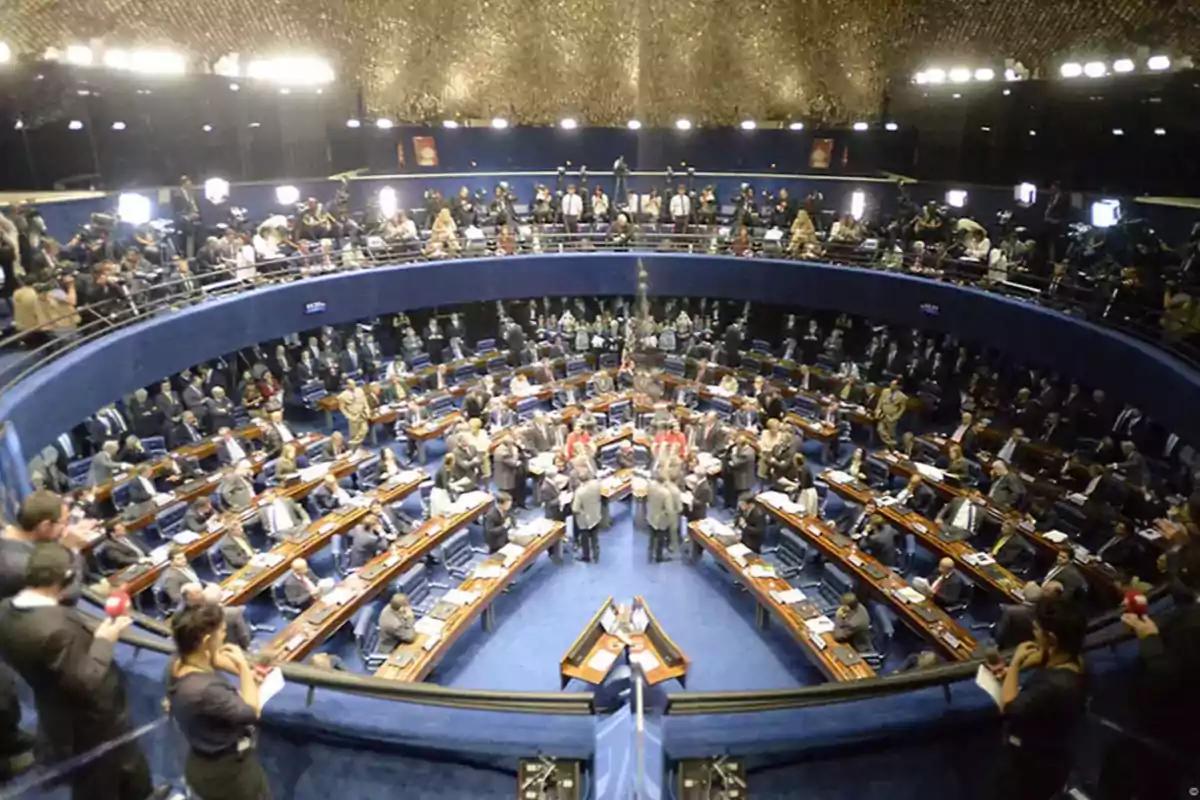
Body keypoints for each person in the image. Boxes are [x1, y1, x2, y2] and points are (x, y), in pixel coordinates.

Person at [0, 542, 157, 800]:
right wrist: (106, 638)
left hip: (56, 704)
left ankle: (143, 794)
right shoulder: (54, 628)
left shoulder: (6, 608)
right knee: (100, 779)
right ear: (64, 579)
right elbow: (88, 679)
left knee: (128, 762)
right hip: (92, 721)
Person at [167, 603, 269, 800]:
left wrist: (244, 671)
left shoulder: (178, 663)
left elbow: (213, 660)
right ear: (206, 641)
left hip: (200, 762)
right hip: (230, 775)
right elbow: (252, 711)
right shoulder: (206, 691)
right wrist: (243, 667)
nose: (225, 635)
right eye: (222, 631)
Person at [989, 598, 1087, 800]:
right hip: (1056, 755)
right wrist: (1019, 666)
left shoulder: (1053, 687)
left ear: (1051, 638)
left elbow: (1008, 707)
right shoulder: (1076, 661)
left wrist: (1015, 664)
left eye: (1036, 630)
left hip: (1031, 767)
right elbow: (1048, 658)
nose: (1033, 634)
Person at [0, 490, 90, 600]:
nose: (66, 527)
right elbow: (69, 595)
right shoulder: (23, 564)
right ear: (45, 526)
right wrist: (72, 549)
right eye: (63, 522)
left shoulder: (8, 533)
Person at [994, 582, 1043, 650]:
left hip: (1012, 647)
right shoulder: (1043, 610)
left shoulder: (1010, 611)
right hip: (1034, 645)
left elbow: (1001, 633)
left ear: (1024, 594)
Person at [646, 475, 681, 563]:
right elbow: (669, 509)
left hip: (651, 515)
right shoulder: (665, 493)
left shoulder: (650, 485)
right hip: (661, 520)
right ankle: (659, 557)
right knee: (660, 539)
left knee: (652, 536)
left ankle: (650, 554)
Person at [572, 477, 603, 563]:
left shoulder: (579, 492)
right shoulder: (596, 484)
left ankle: (586, 557)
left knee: (585, 538)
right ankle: (596, 554)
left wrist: (581, 512)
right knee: (594, 536)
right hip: (595, 514)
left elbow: (575, 509)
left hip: (584, 519)